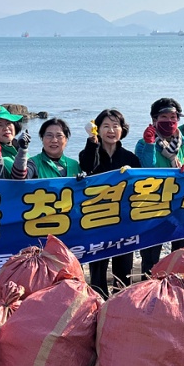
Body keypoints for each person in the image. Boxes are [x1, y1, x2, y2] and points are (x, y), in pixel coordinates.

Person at [78, 109, 141, 296]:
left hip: (123, 220)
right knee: (97, 269)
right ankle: (98, 305)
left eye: (116, 126)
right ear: (98, 129)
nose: (111, 130)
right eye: (106, 126)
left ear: (123, 129)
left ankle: (122, 306)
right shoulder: (89, 152)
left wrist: (132, 175)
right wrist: (92, 140)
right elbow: (88, 166)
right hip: (97, 219)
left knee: (124, 268)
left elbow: (140, 188)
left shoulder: (130, 157)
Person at [133, 98, 184, 275]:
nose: (169, 121)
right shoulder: (143, 143)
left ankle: (180, 290)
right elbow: (147, 171)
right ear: (154, 120)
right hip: (153, 205)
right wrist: (148, 146)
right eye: (164, 117)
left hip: (181, 204)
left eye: (173, 117)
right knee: (151, 256)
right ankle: (149, 290)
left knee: (182, 253)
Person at [12, 118, 81, 179]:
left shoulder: (74, 164)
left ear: (66, 140)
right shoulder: (34, 163)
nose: (54, 140)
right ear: (42, 139)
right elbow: (19, 179)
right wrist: (22, 149)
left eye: (59, 135)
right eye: (49, 135)